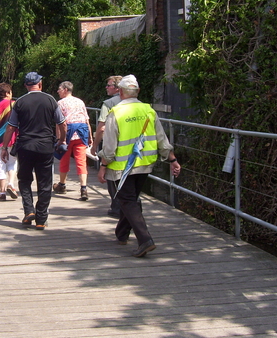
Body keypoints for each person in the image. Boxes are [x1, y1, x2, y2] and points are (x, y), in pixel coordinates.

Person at [97, 74, 181, 257]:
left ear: (120, 92)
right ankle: (121, 234)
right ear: (138, 91)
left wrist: (103, 165)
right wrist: (172, 159)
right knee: (131, 199)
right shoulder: (148, 111)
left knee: (127, 201)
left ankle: (145, 239)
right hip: (144, 164)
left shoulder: (116, 113)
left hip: (121, 167)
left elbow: (109, 147)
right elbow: (161, 139)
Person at [1, 72, 67, 230]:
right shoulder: (50, 100)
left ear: (25, 85)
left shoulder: (20, 102)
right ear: (40, 83)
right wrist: (61, 140)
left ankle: (29, 211)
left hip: (25, 146)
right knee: (45, 183)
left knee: (24, 180)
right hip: (45, 146)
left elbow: (11, 127)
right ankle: (41, 219)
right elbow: (62, 123)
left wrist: (4, 147)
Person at [53, 81, 93, 200]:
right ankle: (84, 188)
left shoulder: (60, 103)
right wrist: (90, 136)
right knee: (81, 161)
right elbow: (86, 120)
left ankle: (62, 185)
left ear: (65, 89)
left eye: (59, 89)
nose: (58, 91)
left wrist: (59, 138)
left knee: (64, 159)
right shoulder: (80, 101)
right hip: (81, 133)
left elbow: (59, 122)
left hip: (67, 133)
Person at [91, 75, 123, 216]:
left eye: (109, 85)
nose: (106, 87)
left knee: (112, 178)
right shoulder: (137, 103)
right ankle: (132, 207)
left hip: (113, 146)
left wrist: (95, 145)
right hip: (134, 148)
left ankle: (116, 208)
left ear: (117, 88)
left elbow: (102, 127)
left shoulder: (109, 104)